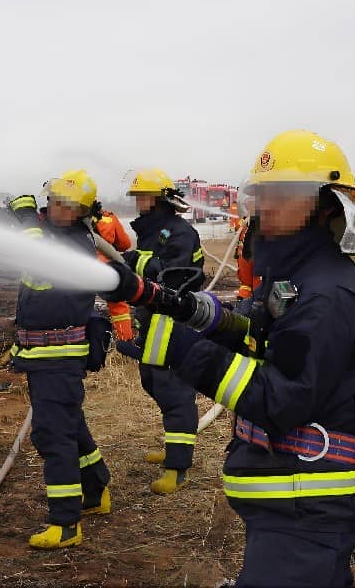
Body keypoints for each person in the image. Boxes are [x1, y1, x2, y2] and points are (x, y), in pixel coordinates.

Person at [106, 130, 355, 587]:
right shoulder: (295, 274)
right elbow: (255, 334)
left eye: (285, 195)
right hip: (288, 495)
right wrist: (162, 300)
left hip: (307, 503)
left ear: (328, 206)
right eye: (262, 193)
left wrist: (179, 347)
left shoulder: (328, 294)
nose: (267, 207)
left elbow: (279, 400)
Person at [6, 170, 112, 550]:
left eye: (67, 205)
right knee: (70, 425)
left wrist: (23, 220)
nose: (56, 208)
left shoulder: (74, 248)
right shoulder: (55, 237)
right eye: (53, 200)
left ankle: (66, 523)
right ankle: (97, 488)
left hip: (58, 356)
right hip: (45, 356)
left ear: (82, 211)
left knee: (53, 434)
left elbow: (39, 263)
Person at [118, 168, 205, 494]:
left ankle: (178, 467)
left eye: (145, 196)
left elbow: (173, 275)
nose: (139, 202)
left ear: (161, 200)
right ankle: (173, 447)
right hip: (154, 317)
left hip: (175, 321)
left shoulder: (179, 233)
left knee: (174, 390)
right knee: (152, 380)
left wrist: (133, 261)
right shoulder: (154, 231)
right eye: (137, 196)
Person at [90, 202, 134, 341]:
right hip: (108, 268)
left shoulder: (73, 218)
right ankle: (125, 339)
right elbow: (125, 244)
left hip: (84, 267)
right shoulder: (109, 218)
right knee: (119, 306)